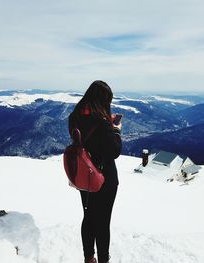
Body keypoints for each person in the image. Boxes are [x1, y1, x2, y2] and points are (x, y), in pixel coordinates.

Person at [68, 80, 122, 263]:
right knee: (103, 222)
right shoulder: (103, 122)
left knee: (89, 217)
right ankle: (103, 260)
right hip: (104, 178)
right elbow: (114, 151)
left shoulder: (74, 116)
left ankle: (88, 257)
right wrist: (115, 130)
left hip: (84, 176)